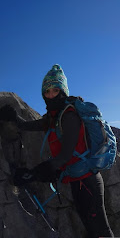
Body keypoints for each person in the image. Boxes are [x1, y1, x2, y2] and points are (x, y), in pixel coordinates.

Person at [0, 64, 113, 238]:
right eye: (47, 91)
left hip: (88, 182)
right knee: (92, 230)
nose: (51, 95)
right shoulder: (54, 116)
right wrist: (13, 118)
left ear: (63, 91)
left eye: (55, 90)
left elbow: (65, 156)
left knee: (100, 232)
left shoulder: (68, 116)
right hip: (79, 181)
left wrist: (33, 174)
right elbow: (30, 125)